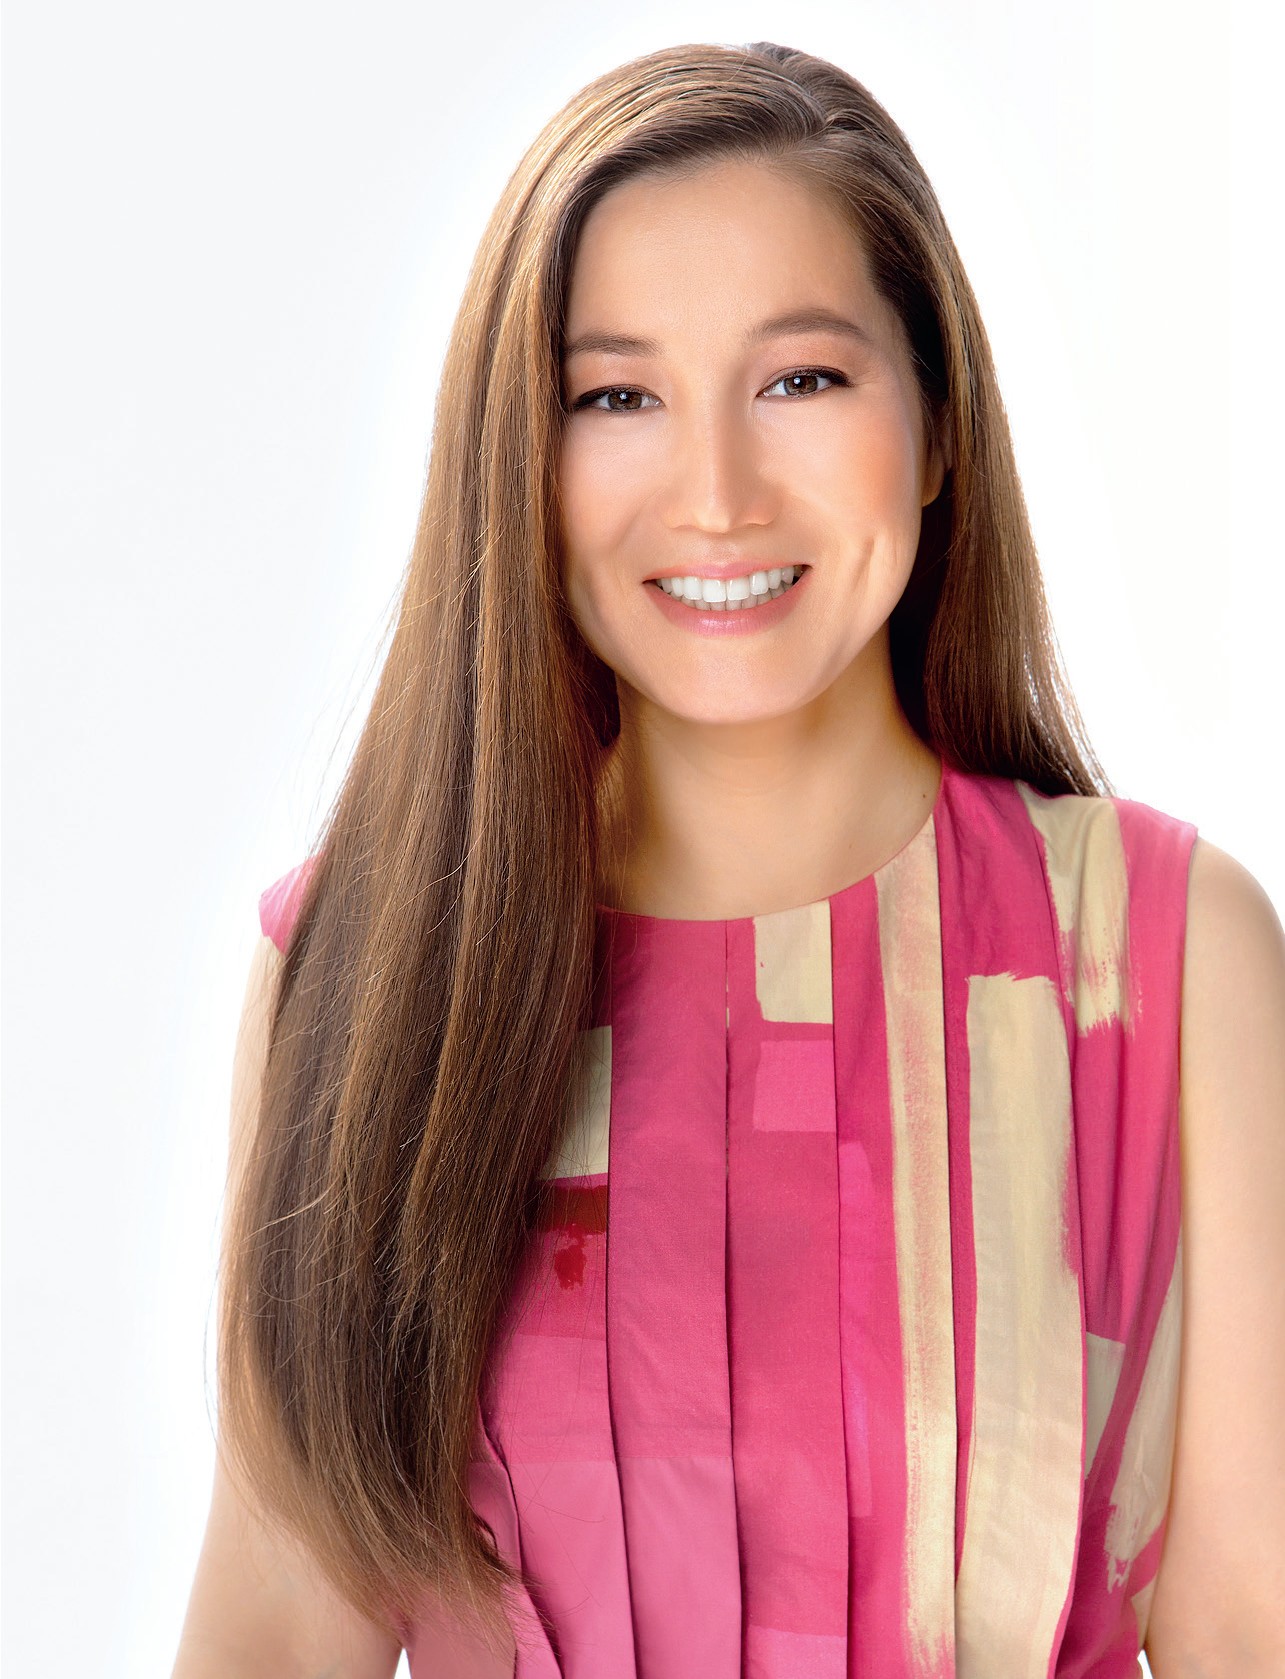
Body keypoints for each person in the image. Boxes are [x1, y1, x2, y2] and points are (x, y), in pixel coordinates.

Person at [171, 39, 1285, 1679]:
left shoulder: (1160, 956)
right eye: (615, 396)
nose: (714, 495)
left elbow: (1246, 1627)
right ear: (522, 465)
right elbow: (273, 1629)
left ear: (939, 424)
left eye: (801, 381)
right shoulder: (356, 963)